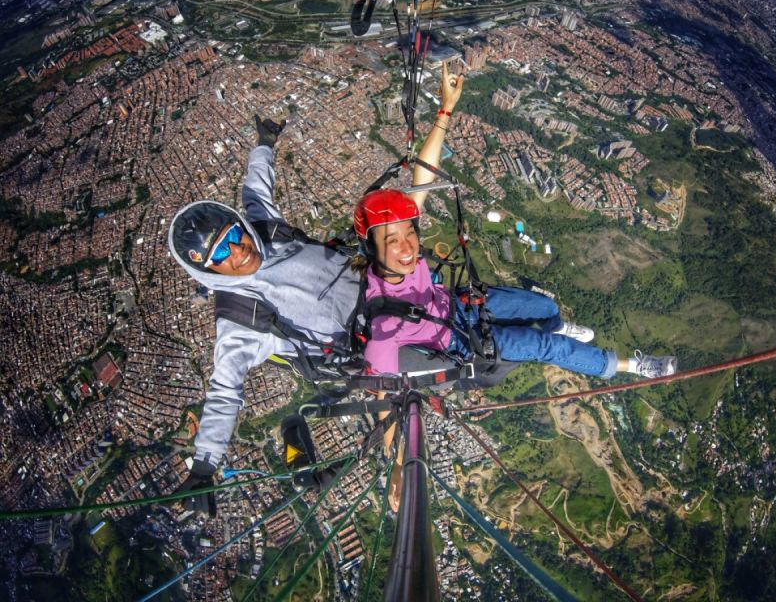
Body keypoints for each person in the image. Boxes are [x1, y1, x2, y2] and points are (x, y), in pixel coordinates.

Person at [167, 63, 468, 516]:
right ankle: (398, 475)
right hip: (353, 341)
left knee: (404, 237)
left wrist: (265, 144)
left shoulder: (264, 229)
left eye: (234, 234)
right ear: (206, 272)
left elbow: (255, 188)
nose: (237, 249)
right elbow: (225, 388)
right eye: (220, 255)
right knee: (397, 391)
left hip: (368, 285)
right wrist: (206, 464)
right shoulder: (239, 316)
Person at [354, 187, 678, 380]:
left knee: (544, 306)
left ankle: (558, 325)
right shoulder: (385, 323)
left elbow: (419, 189)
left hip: (459, 302)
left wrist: (445, 110)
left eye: (410, 232)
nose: (408, 246)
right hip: (462, 340)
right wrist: (401, 465)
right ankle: (636, 366)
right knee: (546, 347)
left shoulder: (400, 256)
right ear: (371, 247)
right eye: (392, 240)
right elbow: (382, 391)